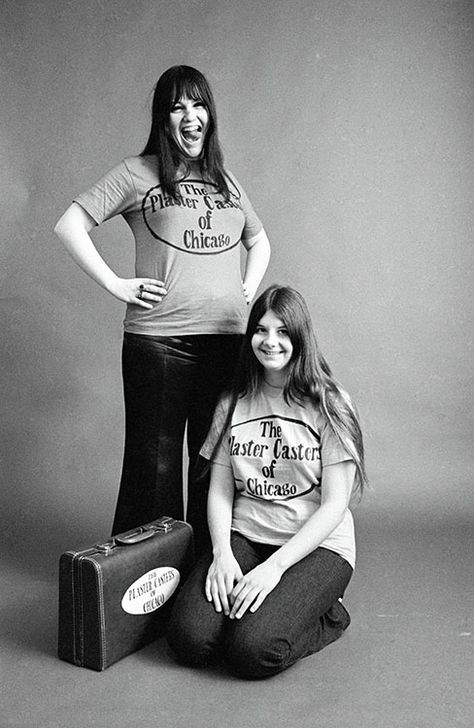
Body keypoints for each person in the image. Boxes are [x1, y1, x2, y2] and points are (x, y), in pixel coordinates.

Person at [54, 65, 271, 548]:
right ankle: (149, 581)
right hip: (160, 345)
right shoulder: (138, 172)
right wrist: (115, 284)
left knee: (212, 461)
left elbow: (260, 242)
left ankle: (198, 573)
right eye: (178, 106)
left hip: (228, 343)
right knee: (155, 465)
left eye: (199, 105)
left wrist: (245, 289)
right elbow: (69, 224)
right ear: (163, 119)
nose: (190, 116)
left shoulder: (226, 181)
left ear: (210, 116)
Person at [167, 285, 367, 679]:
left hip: (317, 547)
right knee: (190, 639)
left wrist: (275, 568)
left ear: (299, 337)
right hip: (247, 537)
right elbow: (221, 488)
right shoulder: (234, 401)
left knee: (252, 651)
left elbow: (335, 504)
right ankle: (267, 607)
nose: (270, 341)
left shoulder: (329, 403)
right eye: (261, 329)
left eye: (282, 331)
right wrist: (222, 552)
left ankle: (329, 614)